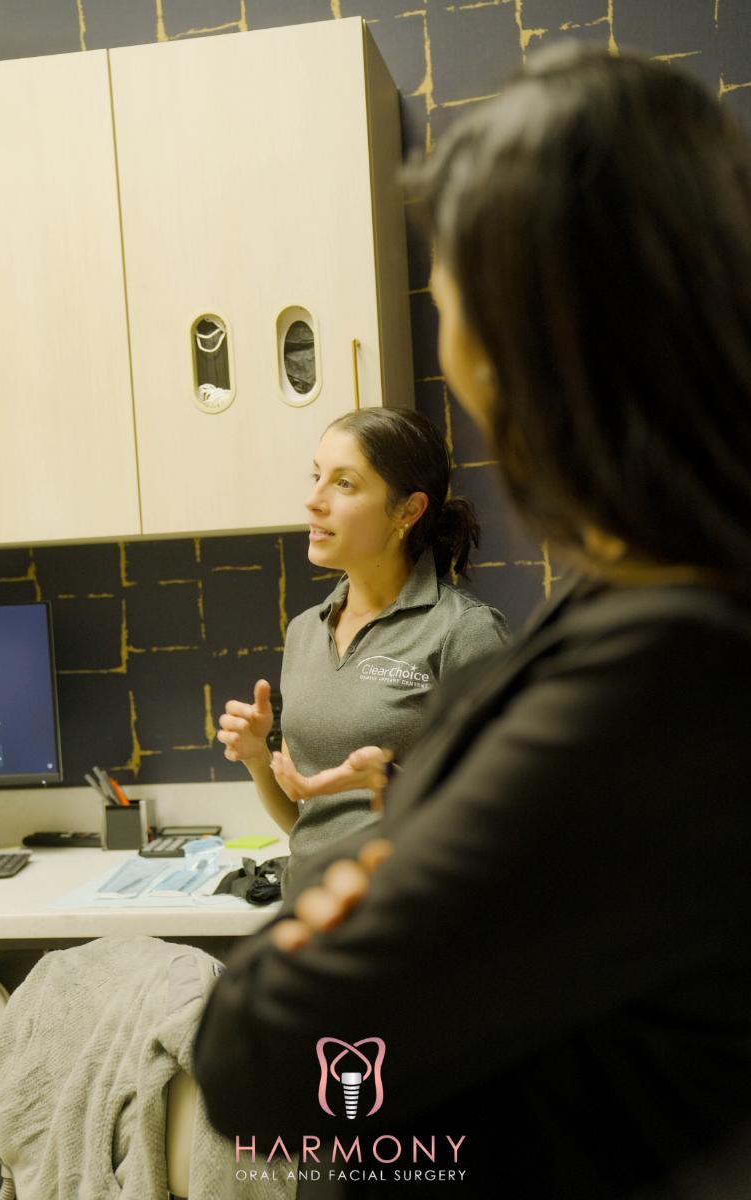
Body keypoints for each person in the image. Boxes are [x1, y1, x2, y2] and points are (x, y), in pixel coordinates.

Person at [196, 43, 751, 1199]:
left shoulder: (663, 670)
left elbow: (263, 1060)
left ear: (531, 346)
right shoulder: (640, 609)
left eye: (453, 313)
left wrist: (385, 863)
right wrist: (379, 861)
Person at [217, 407, 508, 890]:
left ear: (408, 511)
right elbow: (309, 824)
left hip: (411, 928)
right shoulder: (305, 632)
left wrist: (394, 785)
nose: (313, 500)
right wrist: (256, 757)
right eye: (316, 477)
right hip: (312, 922)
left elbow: (509, 818)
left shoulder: (463, 632)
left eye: (344, 484)